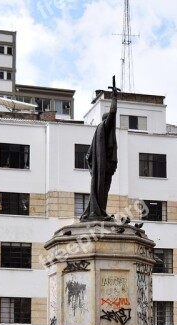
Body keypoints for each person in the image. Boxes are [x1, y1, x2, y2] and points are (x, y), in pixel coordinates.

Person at [80, 78, 118, 221]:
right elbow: (113, 113)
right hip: (104, 168)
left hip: (105, 168)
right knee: (103, 190)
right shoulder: (104, 128)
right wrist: (114, 97)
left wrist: (93, 168)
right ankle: (99, 211)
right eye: (111, 121)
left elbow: (88, 156)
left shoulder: (100, 134)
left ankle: (100, 210)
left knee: (103, 191)